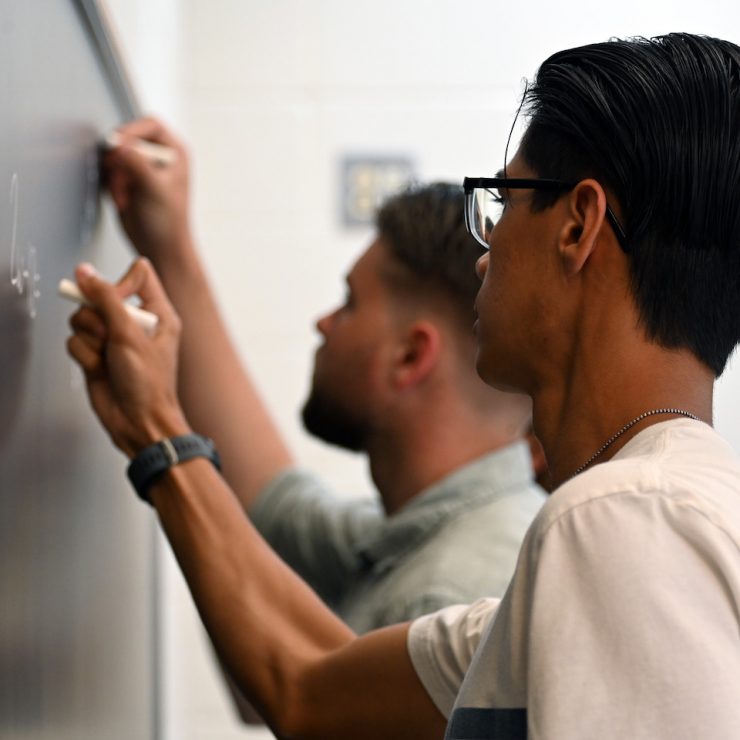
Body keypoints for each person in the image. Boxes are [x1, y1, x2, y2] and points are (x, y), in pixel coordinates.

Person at [67, 32, 740, 739]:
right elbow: (308, 686)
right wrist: (158, 433)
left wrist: (161, 435)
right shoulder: (633, 525)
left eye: (503, 201)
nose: (486, 254)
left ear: (577, 226)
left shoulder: (626, 517)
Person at [101, 133, 546, 634]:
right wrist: (169, 245)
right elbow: (273, 508)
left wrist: (155, 431)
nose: (324, 323)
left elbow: (290, 689)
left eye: (350, 302)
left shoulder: (445, 598)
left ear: (410, 356)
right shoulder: (424, 537)